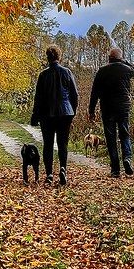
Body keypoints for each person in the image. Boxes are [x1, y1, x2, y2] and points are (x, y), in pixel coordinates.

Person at [30, 45, 79, 186]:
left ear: (47, 57)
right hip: (65, 112)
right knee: (63, 143)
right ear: (59, 56)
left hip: (47, 114)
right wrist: (72, 111)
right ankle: (63, 168)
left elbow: (38, 98)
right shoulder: (67, 72)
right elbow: (74, 95)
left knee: (48, 144)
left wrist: (35, 115)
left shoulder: (43, 75)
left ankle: (50, 174)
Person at [88, 47, 134, 177]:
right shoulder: (127, 70)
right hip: (123, 108)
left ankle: (115, 169)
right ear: (120, 58)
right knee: (124, 134)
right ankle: (127, 158)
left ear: (109, 58)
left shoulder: (102, 71)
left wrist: (91, 111)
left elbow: (94, 93)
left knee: (111, 138)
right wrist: (124, 61)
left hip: (107, 109)